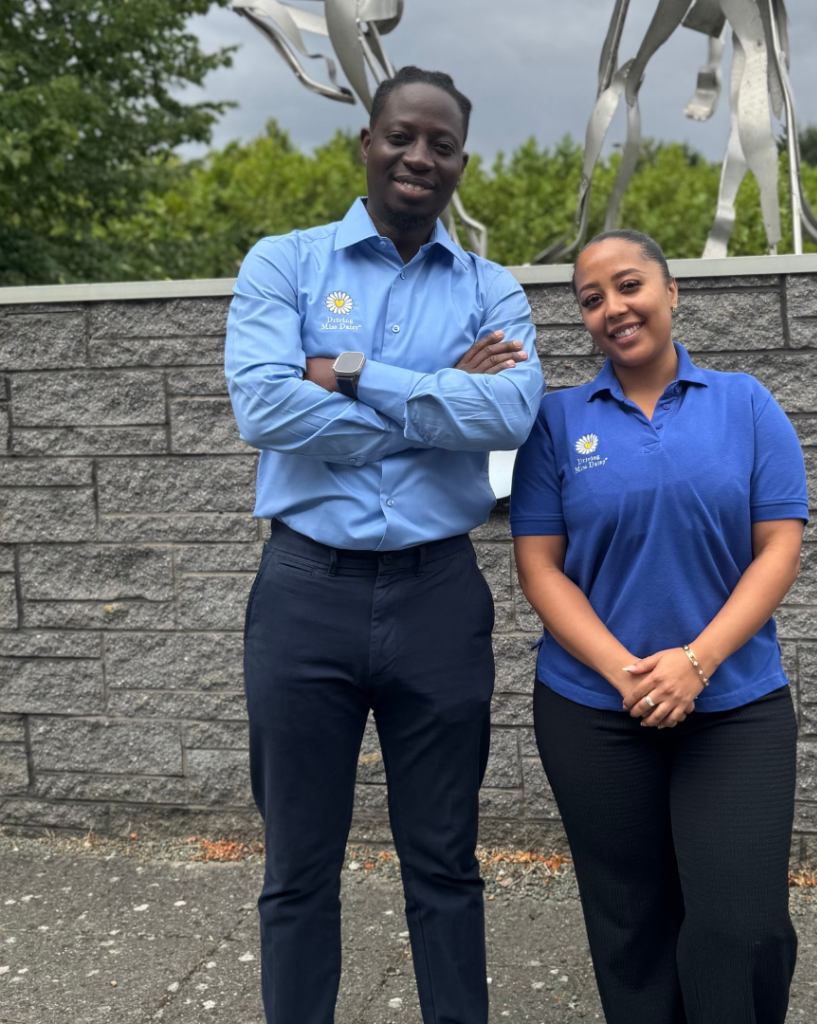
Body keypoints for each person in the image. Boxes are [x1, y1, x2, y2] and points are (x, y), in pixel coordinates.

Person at [225, 66, 545, 1024]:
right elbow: (265, 407)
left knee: (444, 861)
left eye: (441, 144)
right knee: (297, 866)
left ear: (460, 164)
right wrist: (437, 393)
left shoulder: (492, 288)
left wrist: (354, 374)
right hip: (303, 593)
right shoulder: (283, 264)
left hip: (437, 597)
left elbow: (510, 413)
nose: (419, 156)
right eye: (402, 135)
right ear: (366, 142)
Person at [511, 229, 807, 1023]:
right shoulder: (556, 422)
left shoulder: (746, 403)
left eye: (630, 285)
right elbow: (539, 568)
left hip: (734, 705)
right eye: (592, 299)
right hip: (593, 710)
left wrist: (695, 663)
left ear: (672, 292)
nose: (614, 307)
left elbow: (779, 549)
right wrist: (627, 673)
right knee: (633, 926)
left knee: (741, 924)